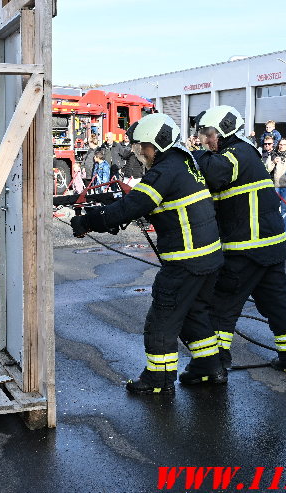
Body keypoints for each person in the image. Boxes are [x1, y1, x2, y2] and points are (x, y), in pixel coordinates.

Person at [70, 113, 224, 394]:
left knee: (161, 321)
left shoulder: (164, 170)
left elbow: (133, 206)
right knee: (193, 315)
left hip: (185, 261)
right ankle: (209, 368)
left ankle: (158, 380)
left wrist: (88, 220)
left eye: (144, 146)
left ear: (160, 142)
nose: (141, 152)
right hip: (209, 258)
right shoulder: (184, 164)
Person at [194, 105, 286, 378]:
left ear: (223, 131)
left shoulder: (237, 153)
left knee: (222, 306)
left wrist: (186, 153)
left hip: (247, 248)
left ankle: (217, 364)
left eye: (209, 134)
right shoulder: (242, 152)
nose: (206, 140)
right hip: (268, 246)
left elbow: (213, 173)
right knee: (275, 304)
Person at [266, 138, 286, 234]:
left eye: (284, 144)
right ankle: (274, 231)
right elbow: (267, 169)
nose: (282, 146)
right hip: (275, 186)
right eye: (280, 144)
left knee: (285, 209)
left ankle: (284, 232)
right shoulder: (273, 154)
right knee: (273, 208)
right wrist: (273, 162)